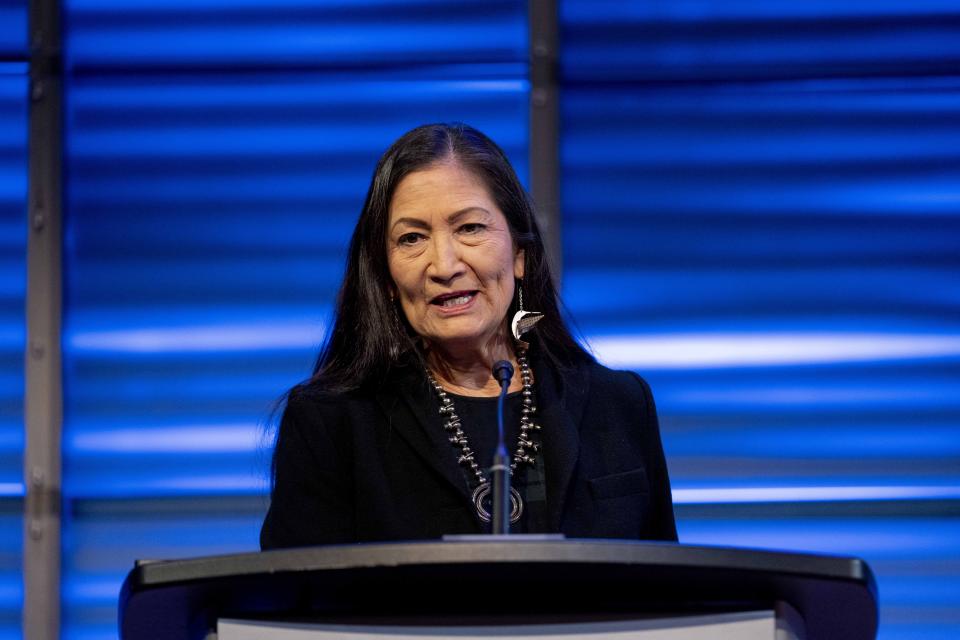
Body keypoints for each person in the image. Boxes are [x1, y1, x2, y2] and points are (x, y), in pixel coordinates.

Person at [260, 123, 677, 547]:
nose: (444, 265)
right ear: (386, 276)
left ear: (519, 254)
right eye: (412, 238)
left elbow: (671, 594)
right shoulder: (331, 420)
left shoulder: (620, 405)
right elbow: (296, 600)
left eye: (470, 228)